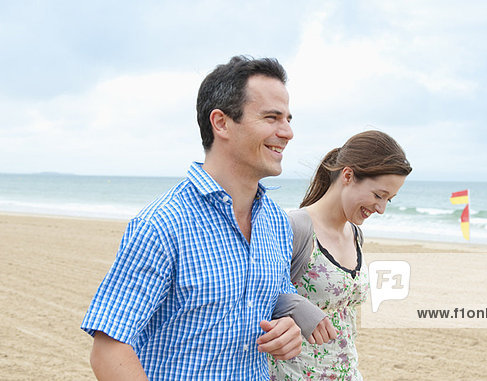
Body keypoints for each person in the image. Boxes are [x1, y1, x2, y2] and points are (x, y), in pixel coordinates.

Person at [81, 56, 332, 380]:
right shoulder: (162, 225)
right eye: (272, 118)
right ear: (221, 123)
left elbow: (275, 300)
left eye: (287, 118)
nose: (287, 132)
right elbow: (108, 349)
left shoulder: (276, 222)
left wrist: (287, 329)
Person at [268, 130, 412, 380]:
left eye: (389, 199)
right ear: (347, 175)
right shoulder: (295, 227)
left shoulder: (355, 234)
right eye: (378, 195)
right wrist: (293, 306)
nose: (381, 209)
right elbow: (253, 297)